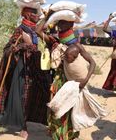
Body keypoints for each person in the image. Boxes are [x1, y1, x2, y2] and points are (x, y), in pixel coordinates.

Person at [0, 6, 51, 138]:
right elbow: (9, 49)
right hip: (23, 69)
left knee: (42, 92)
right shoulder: (20, 29)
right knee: (24, 96)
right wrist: (23, 46)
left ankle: (47, 123)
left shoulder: (33, 30)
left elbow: (43, 31)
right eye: (36, 14)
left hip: (36, 65)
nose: (38, 16)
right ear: (28, 14)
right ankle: (23, 126)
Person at [36, 12, 96, 140]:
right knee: (58, 109)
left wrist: (85, 80)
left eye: (63, 22)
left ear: (71, 24)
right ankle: (58, 135)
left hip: (72, 84)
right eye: (59, 21)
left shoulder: (77, 46)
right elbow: (38, 30)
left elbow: (92, 63)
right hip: (58, 82)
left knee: (70, 109)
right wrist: (48, 16)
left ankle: (69, 134)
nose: (60, 24)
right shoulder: (54, 42)